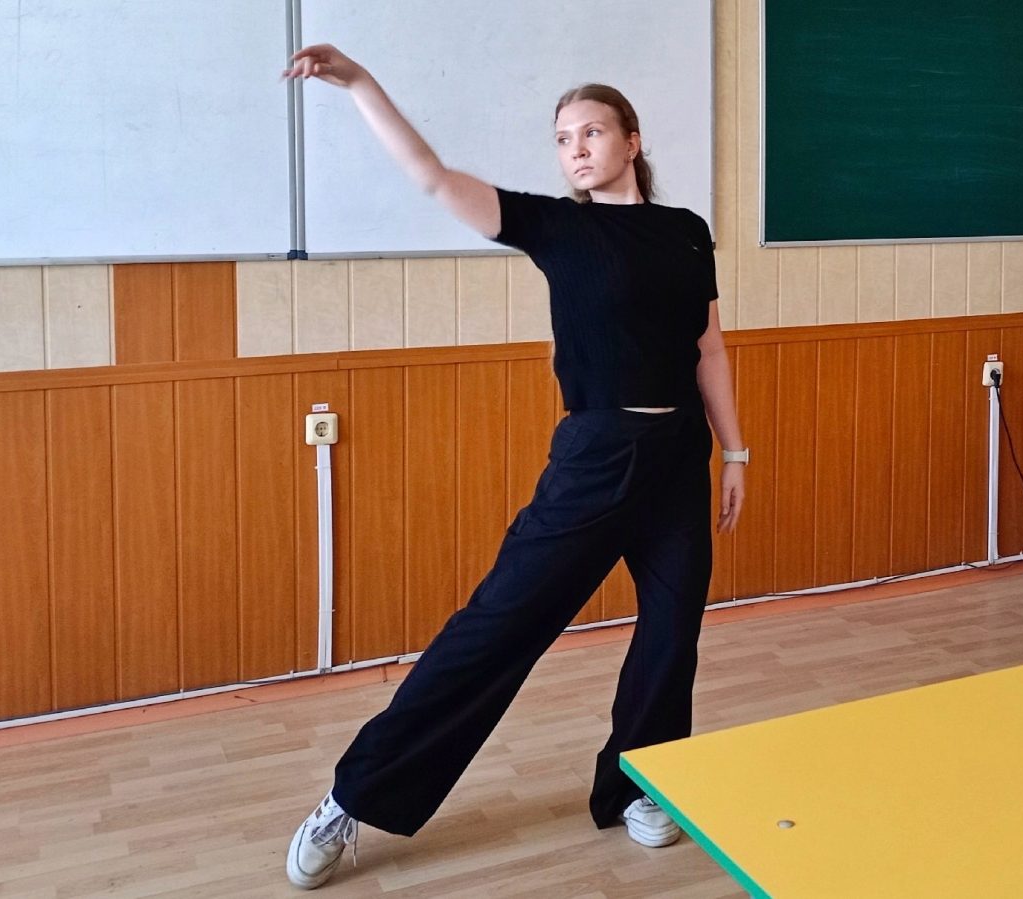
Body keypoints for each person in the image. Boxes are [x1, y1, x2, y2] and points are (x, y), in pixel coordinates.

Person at [281, 44, 746, 890]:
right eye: (563, 138)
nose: (576, 149)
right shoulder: (558, 226)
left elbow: (708, 346)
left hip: (681, 456)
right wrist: (360, 83)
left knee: (672, 632)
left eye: (591, 132)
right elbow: (431, 176)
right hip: (595, 458)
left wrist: (735, 450)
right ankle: (353, 796)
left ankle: (638, 784)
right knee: (497, 630)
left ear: (632, 140)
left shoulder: (686, 232)